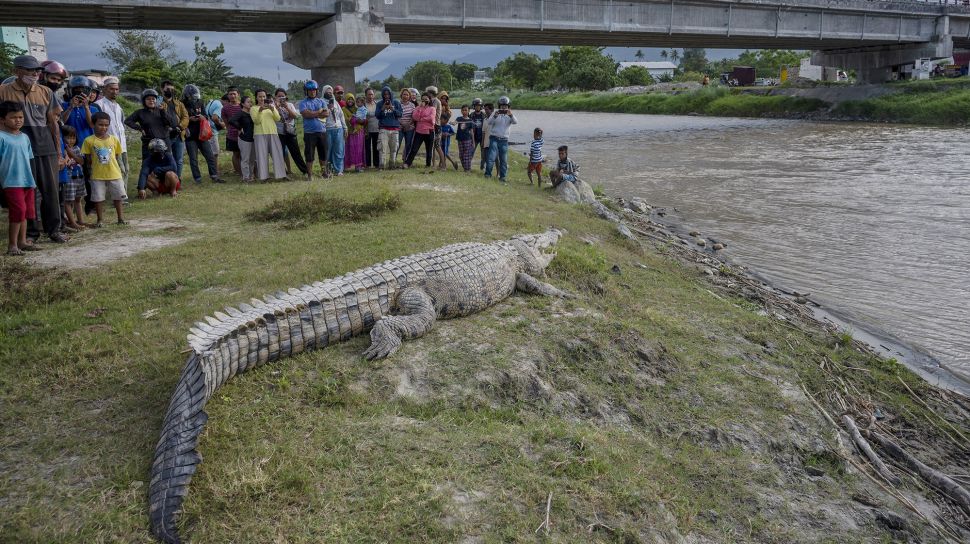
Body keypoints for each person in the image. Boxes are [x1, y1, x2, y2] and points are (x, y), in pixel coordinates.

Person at [0, 55, 67, 244]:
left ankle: (54, 230)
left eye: (37, 70)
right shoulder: (3, 91)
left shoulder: (46, 92)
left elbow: (53, 124)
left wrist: (59, 153)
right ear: (16, 71)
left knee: (51, 191)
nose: (35, 74)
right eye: (30, 70)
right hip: (18, 149)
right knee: (27, 192)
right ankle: (30, 234)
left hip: (46, 147)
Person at [0, 101, 40, 255]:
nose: (18, 120)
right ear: (2, 119)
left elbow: (30, 159)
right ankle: (12, 246)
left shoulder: (24, 137)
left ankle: (22, 242)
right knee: (18, 212)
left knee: (25, 212)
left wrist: (33, 179)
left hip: (27, 180)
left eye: (21, 117)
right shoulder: (1, 137)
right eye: (13, 117)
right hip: (10, 182)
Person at [124, 88, 175, 199]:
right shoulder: (140, 113)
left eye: (153, 99)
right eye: (148, 99)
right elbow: (128, 121)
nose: (151, 101)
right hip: (149, 144)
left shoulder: (161, 110)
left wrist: (163, 112)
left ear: (156, 100)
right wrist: (139, 128)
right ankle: (145, 188)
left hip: (164, 143)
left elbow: (171, 123)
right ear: (144, 101)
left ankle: (170, 186)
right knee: (147, 166)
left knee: (168, 165)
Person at [81, 111, 127, 227]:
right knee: (98, 198)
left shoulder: (114, 139)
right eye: (100, 125)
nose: (104, 127)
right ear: (93, 124)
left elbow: (116, 156)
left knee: (118, 197)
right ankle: (100, 220)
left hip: (114, 173)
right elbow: (88, 159)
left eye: (106, 125)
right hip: (97, 175)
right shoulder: (88, 141)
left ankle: (120, 218)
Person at [181, 84, 221, 184]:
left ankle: (214, 176)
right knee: (193, 159)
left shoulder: (200, 102)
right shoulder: (181, 104)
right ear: (187, 96)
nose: (194, 99)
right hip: (190, 135)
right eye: (192, 97)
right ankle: (197, 178)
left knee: (210, 156)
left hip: (202, 134)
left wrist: (202, 117)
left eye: (196, 97)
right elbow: (179, 119)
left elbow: (206, 116)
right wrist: (189, 119)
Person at [95, 76, 129, 187]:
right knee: (118, 170)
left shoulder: (118, 106)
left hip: (121, 144)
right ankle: (120, 196)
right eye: (111, 89)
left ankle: (123, 195)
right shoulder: (99, 105)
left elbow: (121, 124)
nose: (115, 91)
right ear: (104, 89)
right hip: (108, 145)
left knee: (126, 169)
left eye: (116, 89)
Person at [251, 89, 287, 181]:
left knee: (277, 154)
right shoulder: (253, 108)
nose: (262, 98)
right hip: (260, 134)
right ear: (256, 97)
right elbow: (256, 121)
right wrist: (260, 111)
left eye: (264, 96)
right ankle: (264, 177)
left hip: (273, 132)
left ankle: (281, 175)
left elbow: (277, 118)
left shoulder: (272, 107)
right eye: (260, 96)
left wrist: (273, 109)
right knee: (262, 156)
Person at [59, 125, 87, 230]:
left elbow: (81, 161)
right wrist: (66, 149)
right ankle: (72, 222)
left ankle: (80, 220)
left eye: (73, 137)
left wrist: (69, 151)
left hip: (79, 178)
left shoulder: (77, 148)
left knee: (78, 199)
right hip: (69, 179)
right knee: (68, 201)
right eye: (68, 138)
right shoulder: (62, 151)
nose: (71, 140)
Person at [274, 88, 307, 176]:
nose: (281, 98)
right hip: (279, 133)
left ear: (286, 96)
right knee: (280, 153)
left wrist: (286, 107)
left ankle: (305, 170)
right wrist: (277, 107)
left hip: (290, 132)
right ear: (275, 97)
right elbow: (274, 117)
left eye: (283, 96)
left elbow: (295, 116)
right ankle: (282, 173)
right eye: (279, 96)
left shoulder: (290, 105)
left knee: (296, 153)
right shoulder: (273, 106)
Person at [299, 80, 328, 181]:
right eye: (310, 90)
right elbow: (306, 114)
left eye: (314, 90)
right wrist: (319, 112)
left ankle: (324, 172)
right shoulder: (303, 103)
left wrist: (313, 113)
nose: (312, 92)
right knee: (309, 155)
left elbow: (326, 114)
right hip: (309, 133)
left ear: (317, 90)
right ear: (306, 91)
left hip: (322, 132)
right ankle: (310, 175)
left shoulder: (322, 101)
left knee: (323, 153)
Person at [484, 96, 517, 183]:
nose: (503, 107)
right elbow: (489, 122)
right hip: (494, 138)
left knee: (503, 159)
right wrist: (494, 116)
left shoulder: (510, 115)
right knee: (491, 157)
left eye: (505, 106)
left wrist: (511, 115)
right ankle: (487, 174)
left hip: (504, 140)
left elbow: (515, 122)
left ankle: (502, 177)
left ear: (508, 106)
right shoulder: (495, 113)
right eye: (502, 105)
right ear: (499, 106)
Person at [160, 80, 188, 179]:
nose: (170, 91)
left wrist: (179, 127)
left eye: (172, 89)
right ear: (162, 89)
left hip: (179, 135)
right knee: (165, 158)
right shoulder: (159, 103)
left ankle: (177, 180)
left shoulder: (179, 104)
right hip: (166, 136)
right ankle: (166, 180)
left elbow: (185, 117)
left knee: (179, 160)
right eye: (167, 89)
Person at [228, 95, 256, 182]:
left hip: (253, 138)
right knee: (245, 159)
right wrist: (239, 128)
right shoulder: (240, 113)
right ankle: (246, 177)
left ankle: (251, 176)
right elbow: (231, 120)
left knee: (252, 159)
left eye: (251, 102)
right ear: (243, 104)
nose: (250, 103)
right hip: (244, 139)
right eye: (248, 102)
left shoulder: (252, 113)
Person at [404, 93, 436, 168]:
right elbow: (415, 117)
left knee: (429, 150)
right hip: (419, 131)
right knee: (414, 149)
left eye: (426, 99)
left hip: (429, 131)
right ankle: (407, 163)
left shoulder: (432, 108)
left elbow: (431, 118)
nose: (424, 100)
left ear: (429, 99)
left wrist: (421, 119)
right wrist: (420, 109)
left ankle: (428, 165)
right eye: (423, 99)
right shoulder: (418, 108)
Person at [322, 85, 346, 176]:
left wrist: (345, 127)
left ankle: (338, 170)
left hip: (338, 128)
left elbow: (341, 115)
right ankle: (328, 169)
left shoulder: (335, 102)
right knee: (328, 150)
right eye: (327, 92)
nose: (329, 93)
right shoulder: (321, 102)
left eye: (331, 92)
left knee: (339, 150)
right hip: (327, 129)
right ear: (324, 92)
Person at [375, 85, 402, 170]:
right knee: (382, 148)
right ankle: (382, 166)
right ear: (383, 95)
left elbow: (400, 114)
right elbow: (377, 116)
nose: (387, 96)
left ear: (391, 94)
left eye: (388, 94)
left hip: (394, 129)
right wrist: (382, 109)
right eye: (385, 94)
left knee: (394, 148)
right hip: (383, 129)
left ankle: (392, 165)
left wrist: (393, 109)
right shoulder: (379, 104)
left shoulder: (396, 103)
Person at [221, 87, 242, 175]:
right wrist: (229, 131)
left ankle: (246, 171)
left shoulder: (243, 105)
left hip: (244, 134)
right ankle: (238, 172)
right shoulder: (225, 108)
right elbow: (226, 122)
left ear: (238, 95)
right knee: (236, 154)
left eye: (234, 94)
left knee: (245, 154)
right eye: (230, 94)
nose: (232, 96)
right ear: (228, 95)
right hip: (232, 135)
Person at [343, 92, 366, 173]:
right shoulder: (343, 109)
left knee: (359, 149)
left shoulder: (358, 108)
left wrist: (360, 121)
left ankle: (358, 167)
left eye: (351, 99)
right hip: (350, 132)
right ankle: (345, 167)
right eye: (348, 99)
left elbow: (363, 119)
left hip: (359, 132)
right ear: (346, 100)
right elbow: (346, 120)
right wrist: (355, 119)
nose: (350, 101)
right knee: (350, 149)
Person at [453, 104, 476, 173]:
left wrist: (473, 142)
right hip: (460, 139)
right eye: (463, 110)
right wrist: (453, 123)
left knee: (466, 155)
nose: (464, 111)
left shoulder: (470, 121)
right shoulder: (459, 118)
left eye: (466, 110)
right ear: (461, 111)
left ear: (469, 111)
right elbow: (455, 122)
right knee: (461, 155)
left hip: (467, 139)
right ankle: (465, 168)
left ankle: (467, 169)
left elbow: (472, 132)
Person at [396, 88, 415, 162]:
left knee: (408, 144)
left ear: (409, 96)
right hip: (399, 127)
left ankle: (406, 161)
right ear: (401, 95)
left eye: (407, 95)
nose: (405, 96)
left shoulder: (412, 105)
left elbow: (414, 116)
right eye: (404, 94)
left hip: (409, 128)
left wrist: (408, 124)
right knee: (397, 144)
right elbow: (396, 116)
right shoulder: (397, 104)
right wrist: (402, 124)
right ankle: (393, 160)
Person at [363, 87, 380, 168]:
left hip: (376, 128)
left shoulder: (377, 104)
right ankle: (368, 164)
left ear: (374, 95)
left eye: (372, 94)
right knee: (367, 147)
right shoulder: (363, 105)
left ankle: (376, 164)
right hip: (367, 129)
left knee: (376, 147)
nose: (370, 96)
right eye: (369, 94)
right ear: (365, 95)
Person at [205, 93, 225, 158]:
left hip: (206, 129)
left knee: (211, 152)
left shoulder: (213, 102)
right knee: (215, 153)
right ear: (226, 101)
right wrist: (221, 124)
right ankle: (214, 168)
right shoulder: (220, 105)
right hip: (212, 131)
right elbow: (215, 117)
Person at [478, 102, 493, 171]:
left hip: (493, 141)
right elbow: (483, 132)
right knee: (485, 157)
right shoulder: (485, 120)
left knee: (495, 158)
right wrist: (482, 142)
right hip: (486, 141)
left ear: (491, 110)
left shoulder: (495, 119)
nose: (486, 111)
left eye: (487, 109)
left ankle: (498, 173)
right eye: (485, 109)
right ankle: (485, 169)